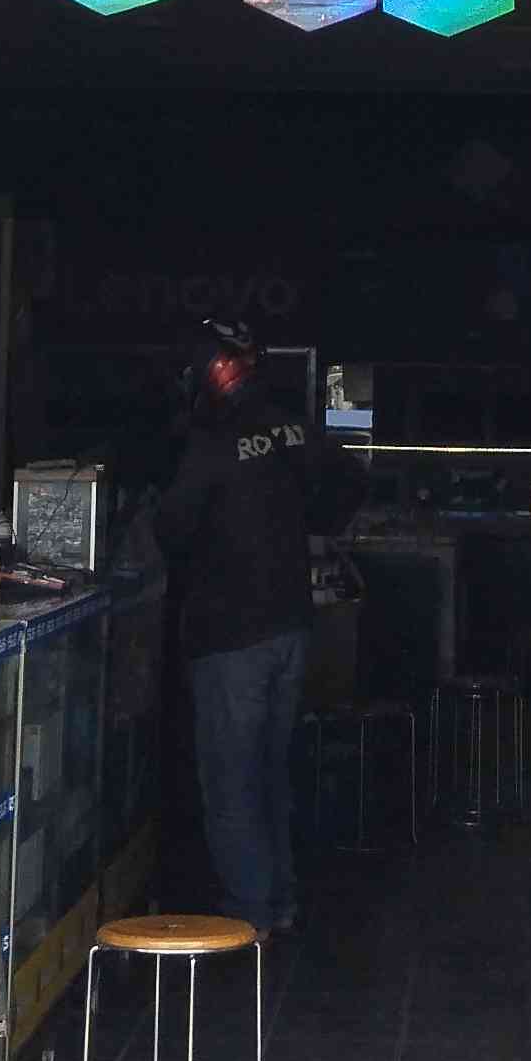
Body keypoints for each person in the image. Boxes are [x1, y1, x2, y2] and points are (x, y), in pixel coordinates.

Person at [148, 318, 362, 932]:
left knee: (231, 779)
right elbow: (352, 480)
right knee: (269, 770)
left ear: (211, 373)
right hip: (290, 625)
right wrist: (307, 526)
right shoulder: (293, 429)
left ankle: (249, 913)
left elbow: (170, 530)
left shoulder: (212, 441)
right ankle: (279, 900)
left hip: (231, 634)